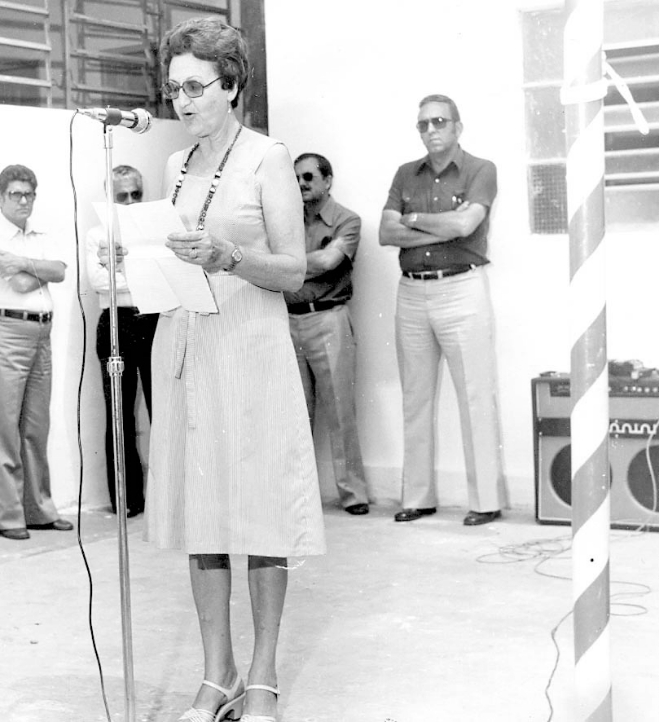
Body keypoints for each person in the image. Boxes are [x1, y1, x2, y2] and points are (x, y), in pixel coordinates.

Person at [134, 18, 324, 722]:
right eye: (173, 87)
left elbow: (296, 269)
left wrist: (229, 257)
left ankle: (264, 677)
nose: (181, 101)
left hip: (252, 346)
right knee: (203, 519)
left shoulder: (267, 158)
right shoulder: (174, 167)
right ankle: (217, 676)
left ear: (233, 85)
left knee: (261, 518)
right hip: (187, 346)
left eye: (195, 86)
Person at [378, 94, 506, 526]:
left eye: (439, 122)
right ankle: (417, 498)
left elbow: (465, 226)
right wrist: (440, 226)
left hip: (462, 289)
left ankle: (485, 502)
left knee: (475, 395)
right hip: (412, 292)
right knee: (415, 397)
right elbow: (384, 232)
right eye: (423, 124)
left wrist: (411, 220)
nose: (431, 130)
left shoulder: (480, 170)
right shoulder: (404, 174)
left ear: (457, 127)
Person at [0, 164, 73, 541]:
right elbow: (18, 284)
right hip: (7, 331)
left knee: (35, 425)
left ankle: (39, 510)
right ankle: (7, 516)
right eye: (15, 194)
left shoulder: (40, 235)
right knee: (4, 426)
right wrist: (41, 269)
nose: (22, 201)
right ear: (0, 198)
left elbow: (61, 271)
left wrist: (26, 262)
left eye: (28, 194)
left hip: (41, 334)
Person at [285, 153, 370, 516]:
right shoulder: (283, 221)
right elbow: (313, 264)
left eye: (308, 177)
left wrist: (284, 267)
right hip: (288, 322)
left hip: (329, 320)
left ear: (327, 180)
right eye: (296, 179)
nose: (301, 184)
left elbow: (328, 263)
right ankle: (297, 496)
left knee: (340, 412)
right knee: (293, 413)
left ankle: (353, 494)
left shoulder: (347, 221)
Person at [86, 165, 158, 517]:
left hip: (154, 319)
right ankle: (128, 500)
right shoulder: (96, 234)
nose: (130, 202)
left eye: (136, 194)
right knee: (120, 415)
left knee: (163, 414)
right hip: (116, 322)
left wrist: (124, 270)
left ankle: (165, 497)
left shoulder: (155, 231)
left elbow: (164, 277)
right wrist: (141, 272)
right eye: (122, 196)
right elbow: (100, 282)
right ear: (109, 198)